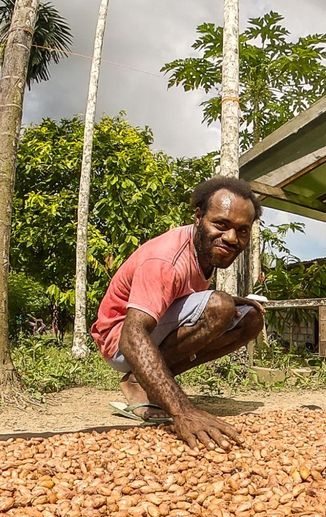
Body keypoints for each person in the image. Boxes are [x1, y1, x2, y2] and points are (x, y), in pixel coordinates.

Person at [90, 176, 265, 451]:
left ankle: (145, 381)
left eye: (242, 231)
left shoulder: (204, 252)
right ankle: (138, 380)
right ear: (198, 217)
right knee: (221, 308)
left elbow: (179, 300)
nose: (231, 238)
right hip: (119, 341)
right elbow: (131, 335)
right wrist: (182, 412)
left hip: (146, 334)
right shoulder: (166, 260)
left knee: (250, 318)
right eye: (221, 225)